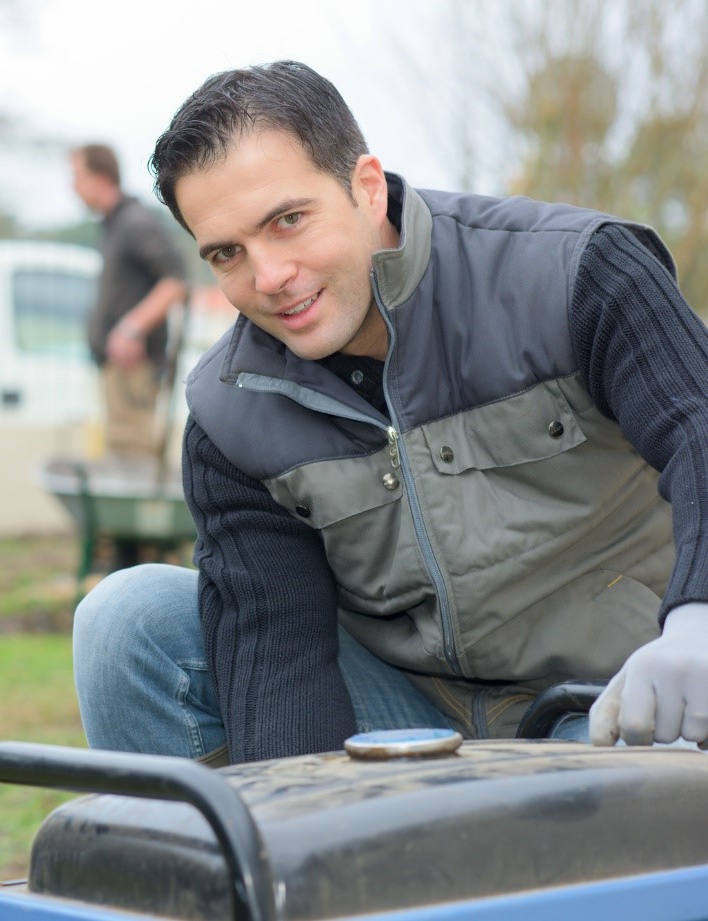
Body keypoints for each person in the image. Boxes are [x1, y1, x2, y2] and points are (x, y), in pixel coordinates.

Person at [72, 61, 708, 767]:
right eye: (227, 252)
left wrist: (697, 618)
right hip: (401, 718)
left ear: (366, 187)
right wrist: (302, 840)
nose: (268, 277)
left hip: (611, 704)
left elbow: (699, 429)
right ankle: (227, 873)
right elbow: (278, 662)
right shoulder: (230, 414)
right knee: (127, 619)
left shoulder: (573, 275)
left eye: (287, 220)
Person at [70, 143, 189, 570]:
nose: (72, 186)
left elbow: (176, 281)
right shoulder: (113, 224)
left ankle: (135, 564)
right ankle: (126, 559)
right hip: (117, 369)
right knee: (121, 454)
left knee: (132, 457)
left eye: (76, 175)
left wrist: (132, 326)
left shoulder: (136, 222)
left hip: (134, 368)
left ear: (99, 177)